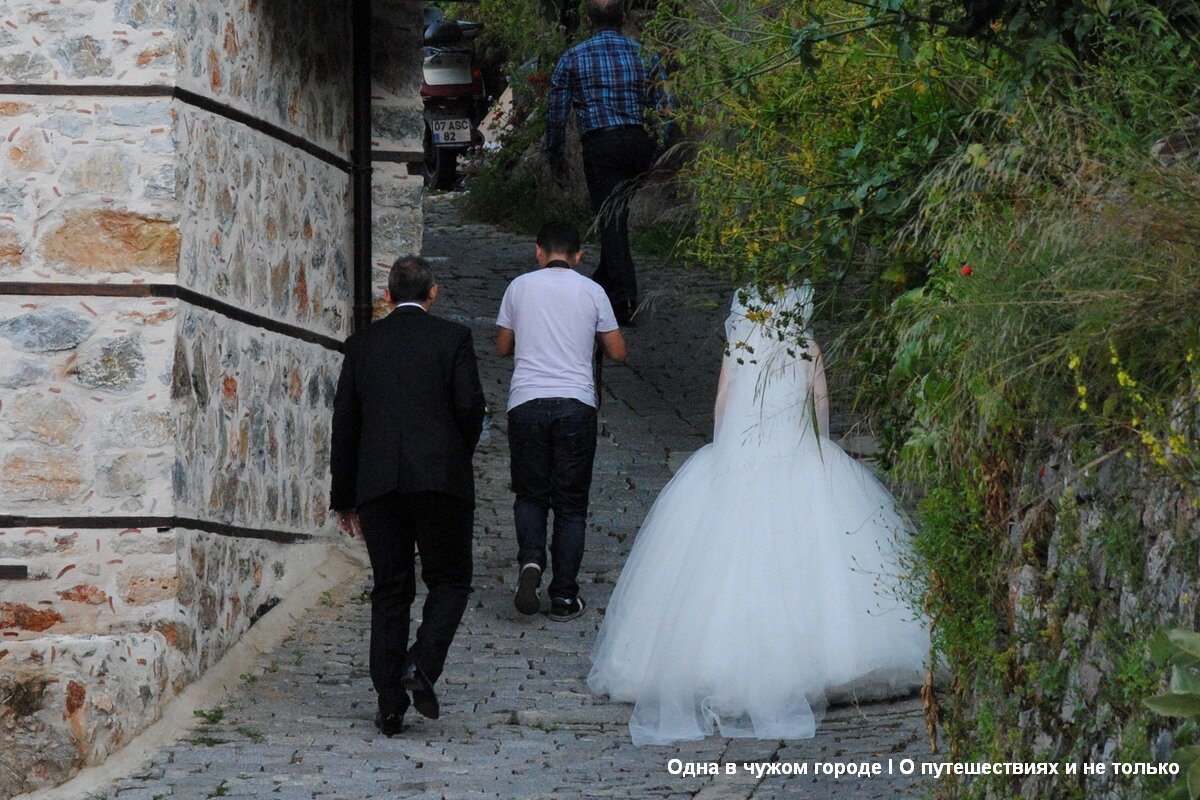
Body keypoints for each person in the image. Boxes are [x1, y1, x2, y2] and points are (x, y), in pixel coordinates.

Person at [587, 285, 929, 745]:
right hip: (798, 453)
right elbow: (820, 405)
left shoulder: (740, 347)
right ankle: (826, 661)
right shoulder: (806, 347)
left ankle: (716, 662)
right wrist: (818, 449)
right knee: (821, 557)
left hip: (741, 456)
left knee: (721, 562)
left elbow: (723, 405)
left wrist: (724, 447)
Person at [330, 256, 486, 738]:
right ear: (433, 292)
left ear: (387, 295)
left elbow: (346, 425)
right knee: (451, 580)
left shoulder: (361, 346)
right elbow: (470, 409)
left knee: (391, 589)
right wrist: (453, 457)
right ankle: (421, 664)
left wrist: (345, 497)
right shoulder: (453, 340)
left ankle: (390, 703)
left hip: (379, 485)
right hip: (440, 481)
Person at [496, 220, 627, 621]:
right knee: (571, 505)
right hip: (575, 404)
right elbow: (618, 351)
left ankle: (531, 561)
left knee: (530, 494)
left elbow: (502, 347)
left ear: (538, 251)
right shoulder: (593, 291)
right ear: (578, 256)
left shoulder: (519, 287)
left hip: (527, 402)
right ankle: (565, 596)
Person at [544, 0, 674, 326]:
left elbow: (556, 115)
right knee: (615, 219)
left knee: (612, 222)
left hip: (602, 145)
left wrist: (556, 157)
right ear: (625, 18)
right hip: (637, 143)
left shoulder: (573, 58)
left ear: (588, 20)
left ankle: (625, 300)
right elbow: (668, 110)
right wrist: (657, 152)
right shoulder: (646, 55)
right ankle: (603, 283)